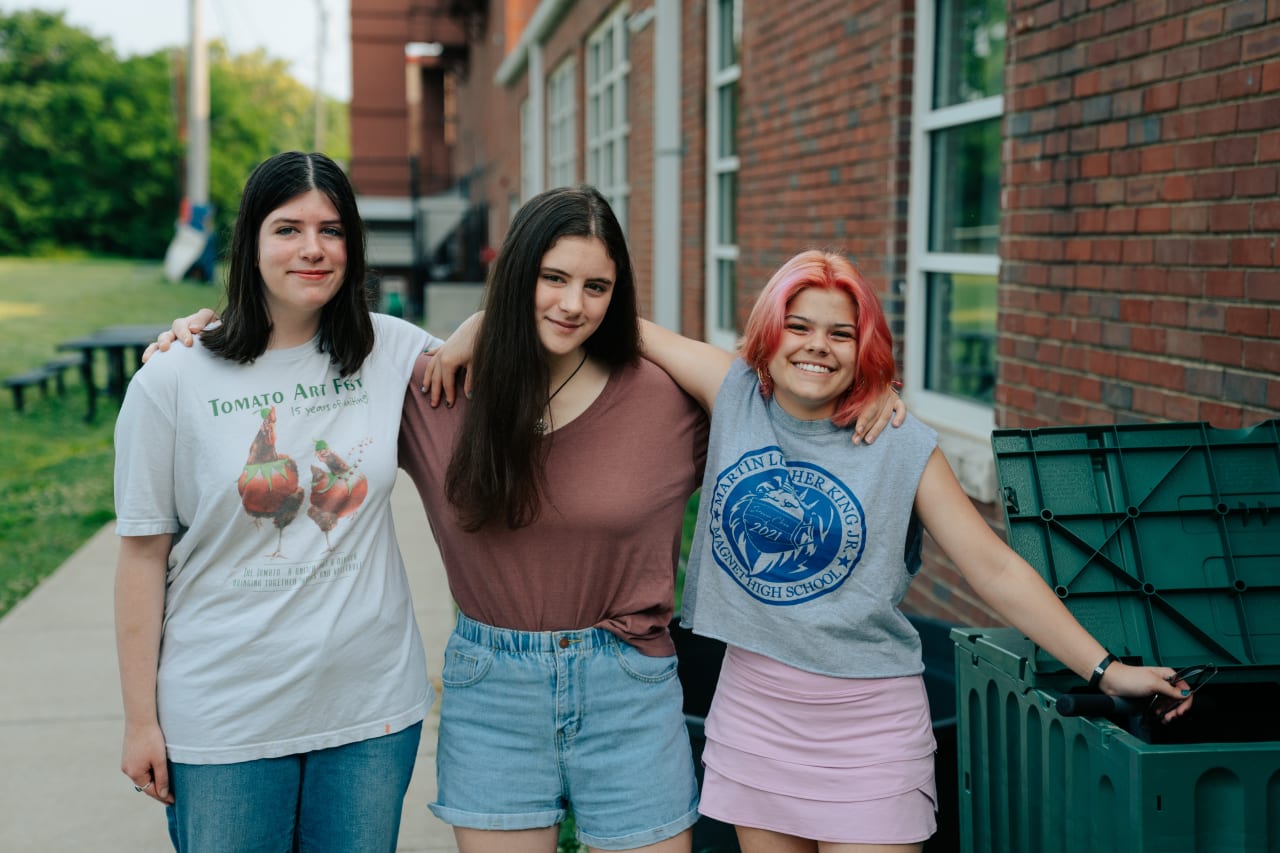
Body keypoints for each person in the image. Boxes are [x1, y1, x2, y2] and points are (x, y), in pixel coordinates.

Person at [153, 187, 907, 853]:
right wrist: (194, 342)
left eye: (596, 286)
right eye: (551, 278)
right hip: (492, 688)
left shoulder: (666, 398)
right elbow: (298, 347)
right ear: (517, 277)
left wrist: (867, 394)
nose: (572, 302)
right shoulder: (434, 388)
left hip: (630, 681)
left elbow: (790, 400)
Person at [631, 249, 1195, 853]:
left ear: (863, 347)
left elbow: (994, 566)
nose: (817, 346)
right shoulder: (734, 393)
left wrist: (1106, 670)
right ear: (769, 335)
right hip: (755, 715)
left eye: (841, 334)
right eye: (799, 326)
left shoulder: (897, 442)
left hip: (869, 731)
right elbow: (619, 324)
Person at [115, 151, 443, 852]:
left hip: (369, 713)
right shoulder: (173, 378)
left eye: (331, 230)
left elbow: (505, 363)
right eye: (287, 229)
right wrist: (140, 718)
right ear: (251, 244)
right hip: (225, 715)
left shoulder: (389, 351)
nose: (313, 249)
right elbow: (141, 555)